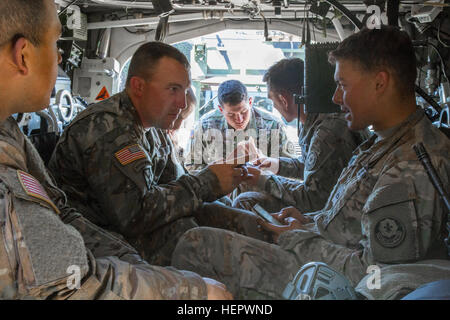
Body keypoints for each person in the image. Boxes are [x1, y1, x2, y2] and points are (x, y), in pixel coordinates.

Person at [172, 26, 450, 299]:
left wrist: (294, 237)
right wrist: (307, 221)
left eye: (343, 85)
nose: (335, 97)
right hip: (318, 246)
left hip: (331, 278)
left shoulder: (410, 166)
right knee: (209, 217)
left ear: (380, 83)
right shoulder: (383, 142)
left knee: (196, 245)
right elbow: (346, 218)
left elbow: (373, 275)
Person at [0, 0, 232, 300]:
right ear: (23, 55)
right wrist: (191, 292)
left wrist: (136, 263)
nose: (60, 57)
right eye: (56, 42)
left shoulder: (10, 133)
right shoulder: (107, 129)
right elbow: (66, 286)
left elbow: (63, 215)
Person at [49, 42, 265, 266]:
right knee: (197, 242)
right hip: (97, 239)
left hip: (130, 228)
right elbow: (135, 215)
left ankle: (274, 238)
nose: (182, 103)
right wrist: (208, 182)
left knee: (213, 218)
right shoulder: (108, 130)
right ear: (138, 87)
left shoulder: (153, 127)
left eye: (184, 90)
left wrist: (250, 219)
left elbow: (178, 184)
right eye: (173, 89)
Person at [232, 58, 371, 216]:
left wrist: (264, 180)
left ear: (283, 100)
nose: (274, 107)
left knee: (246, 201)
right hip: (331, 204)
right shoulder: (317, 122)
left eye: (273, 100)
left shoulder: (327, 132)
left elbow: (312, 199)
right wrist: (273, 164)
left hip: (332, 212)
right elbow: (311, 166)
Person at [186, 79, 297, 172]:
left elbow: (291, 169)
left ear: (250, 102)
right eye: (231, 114)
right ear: (221, 109)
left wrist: (264, 163)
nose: (239, 119)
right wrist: (217, 173)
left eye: (244, 112)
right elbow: (190, 167)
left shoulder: (272, 125)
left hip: (261, 192)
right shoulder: (205, 126)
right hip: (218, 195)